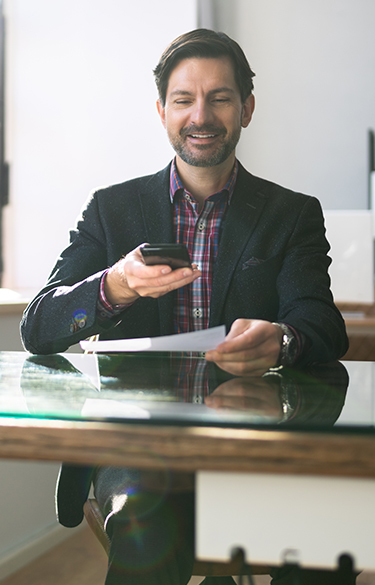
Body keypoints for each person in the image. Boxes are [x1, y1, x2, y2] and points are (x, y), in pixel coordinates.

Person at [20, 29, 349, 585]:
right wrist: (115, 285)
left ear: (246, 108)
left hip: (258, 440)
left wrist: (282, 339)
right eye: (183, 99)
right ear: (161, 110)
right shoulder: (111, 209)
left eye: (220, 98)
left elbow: (321, 323)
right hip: (140, 446)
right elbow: (39, 325)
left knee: (328, 534)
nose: (202, 115)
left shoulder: (292, 214)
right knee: (147, 520)